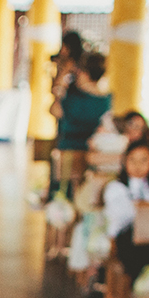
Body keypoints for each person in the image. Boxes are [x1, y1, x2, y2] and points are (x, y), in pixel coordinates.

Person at [102, 140, 149, 286]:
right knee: (136, 238)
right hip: (127, 238)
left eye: (143, 160)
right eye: (132, 160)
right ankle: (140, 287)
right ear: (124, 161)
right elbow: (122, 216)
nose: (138, 165)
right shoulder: (115, 188)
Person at [50, 51, 111, 194]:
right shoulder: (107, 100)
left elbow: (54, 111)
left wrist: (60, 89)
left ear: (84, 73)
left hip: (68, 152)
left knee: (64, 193)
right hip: (94, 154)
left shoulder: (73, 98)